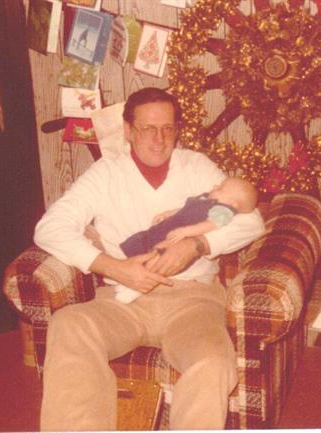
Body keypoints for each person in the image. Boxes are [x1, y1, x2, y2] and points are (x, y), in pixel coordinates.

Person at [34, 87, 264, 430]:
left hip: (193, 301)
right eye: (148, 128)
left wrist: (198, 245)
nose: (159, 139)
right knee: (69, 324)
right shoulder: (106, 173)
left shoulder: (197, 167)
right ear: (128, 130)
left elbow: (252, 221)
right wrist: (114, 268)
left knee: (213, 362)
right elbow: (49, 228)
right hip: (124, 301)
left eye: (167, 128)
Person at [115, 176, 258, 303]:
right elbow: (185, 209)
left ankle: (136, 290)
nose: (215, 186)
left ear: (232, 204)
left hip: (180, 240)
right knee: (144, 250)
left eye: (220, 188)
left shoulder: (223, 211)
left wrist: (185, 232)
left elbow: (209, 225)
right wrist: (169, 213)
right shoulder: (206, 198)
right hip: (169, 229)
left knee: (158, 261)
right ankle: (129, 280)